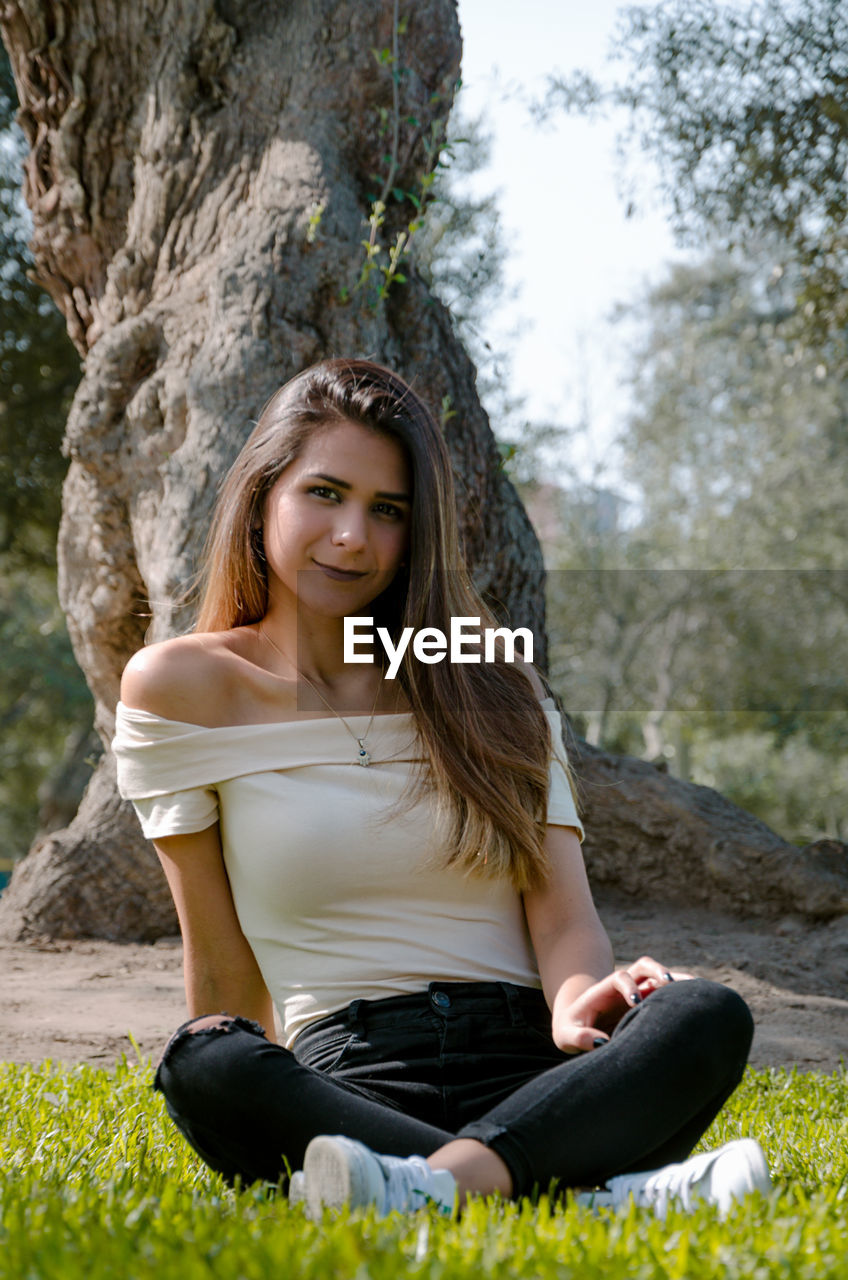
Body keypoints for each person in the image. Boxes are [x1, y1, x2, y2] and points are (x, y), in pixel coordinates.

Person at [113, 357, 771, 1221]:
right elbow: (221, 955)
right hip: (348, 1082)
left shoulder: (491, 682)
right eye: (325, 493)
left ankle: (424, 1188)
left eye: (388, 512)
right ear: (262, 491)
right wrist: (237, 1064)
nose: (353, 536)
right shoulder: (182, 689)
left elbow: (564, 917)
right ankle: (594, 1192)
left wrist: (583, 1003)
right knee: (205, 1057)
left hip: (535, 1070)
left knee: (705, 1012)